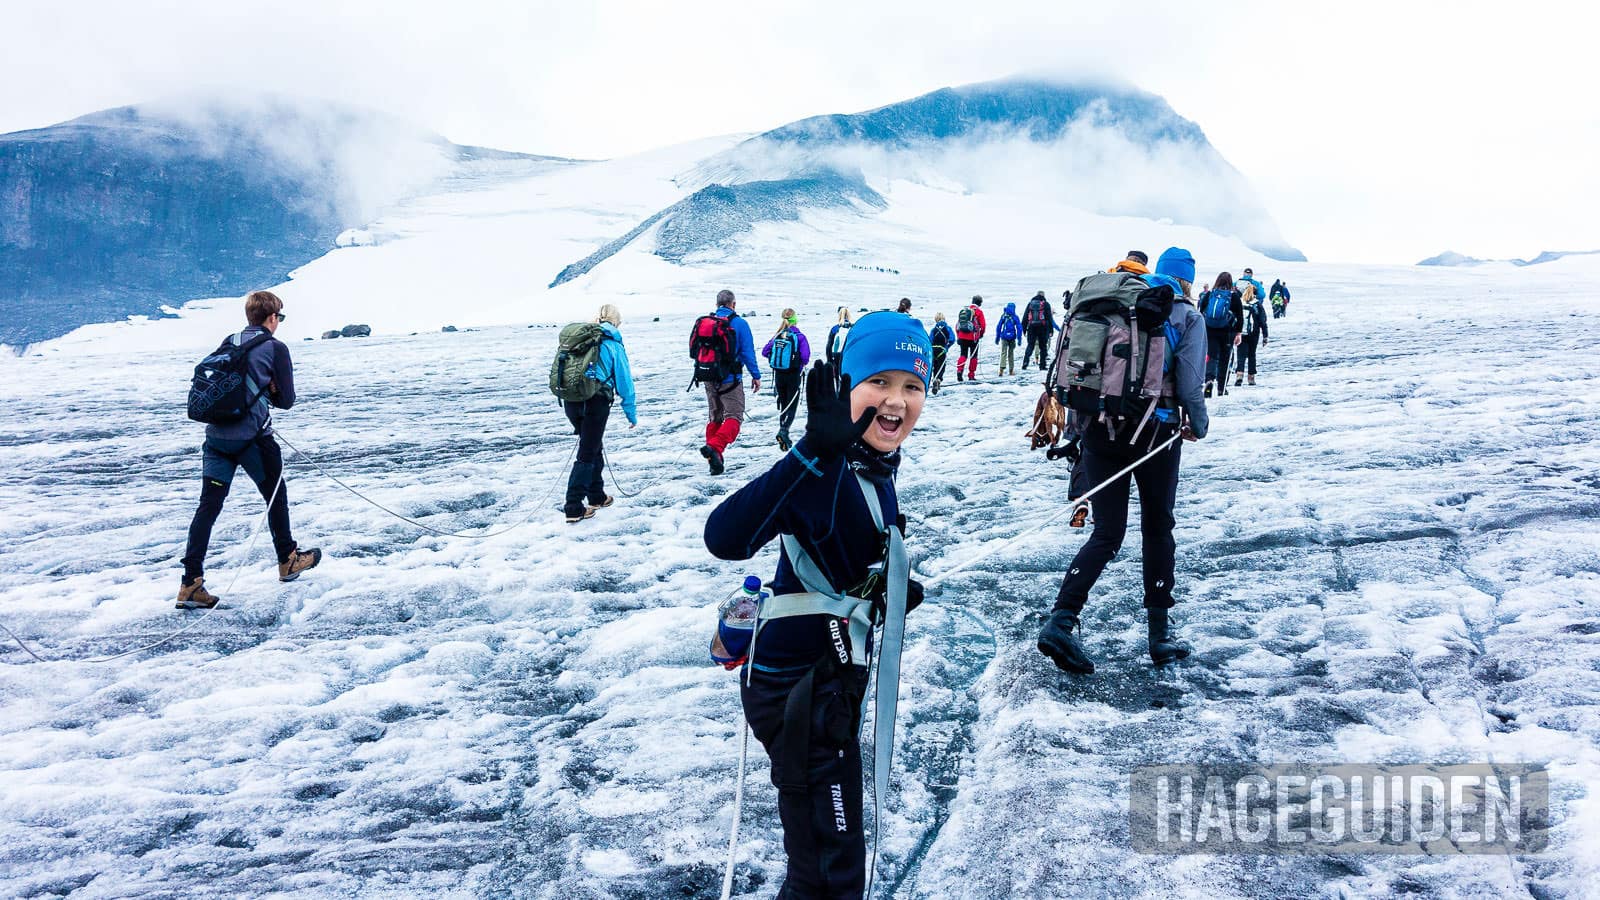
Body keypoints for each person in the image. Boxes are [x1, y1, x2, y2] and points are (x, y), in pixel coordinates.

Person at [705, 311, 931, 899]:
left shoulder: (872, 467)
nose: (896, 400)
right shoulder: (827, 465)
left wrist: (883, 591)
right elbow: (724, 538)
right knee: (829, 874)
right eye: (879, 381)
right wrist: (810, 452)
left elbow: (835, 555)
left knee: (829, 865)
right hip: (799, 694)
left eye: (912, 385)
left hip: (828, 684)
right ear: (845, 384)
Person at [1037, 247, 1210, 674]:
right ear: (1187, 280)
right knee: (1157, 527)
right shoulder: (1185, 315)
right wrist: (1199, 424)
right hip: (1155, 433)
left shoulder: (1113, 303)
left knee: (1107, 532)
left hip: (1099, 428)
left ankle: (1061, 620)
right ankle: (1160, 637)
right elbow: (1190, 385)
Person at [178, 290, 320, 608]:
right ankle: (288, 560)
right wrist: (272, 389)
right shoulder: (275, 348)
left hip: (216, 440)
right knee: (275, 496)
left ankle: (190, 583)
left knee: (208, 507)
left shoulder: (230, 341)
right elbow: (287, 400)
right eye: (279, 317)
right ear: (272, 317)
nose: (279, 322)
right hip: (253, 439)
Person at [562, 304, 637, 523]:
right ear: (616, 322)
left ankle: (597, 495)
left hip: (571, 400)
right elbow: (625, 383)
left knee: (593, 446)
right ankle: (573, 506)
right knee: (587, 451)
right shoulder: (613, 344)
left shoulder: (580, 340)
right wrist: (631, 413)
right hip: (595, 402)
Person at [701, 289, 762, 476]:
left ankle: (715, 462)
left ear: (716, 304)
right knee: (734, 417)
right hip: (730, 379)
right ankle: (714, 447)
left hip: (708, 377)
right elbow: (747, 352)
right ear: (733, 304)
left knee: (715, 418)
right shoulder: (740, 323)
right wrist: (755, 375)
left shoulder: (706, 322)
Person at [762, 308, 812, 451]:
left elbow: (765, 352)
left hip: (779, 375)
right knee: (792, 405)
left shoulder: (778, 335)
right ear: (795, 319)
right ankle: (784, 431)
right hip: (793, 375)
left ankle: (783, 433)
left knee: (783, 404)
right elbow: (805, 357)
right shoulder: (799, 336)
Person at [1199, 272, 1244, 398]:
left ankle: (1209, 380)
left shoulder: (1209, 295)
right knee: (1225, 359)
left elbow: (1201, 311)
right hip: (1228, 332)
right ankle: (1221, 387)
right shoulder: (1233, 296)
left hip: (1210, 330)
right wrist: (1238, 333)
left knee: (1211, 356)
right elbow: (1240, 316)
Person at [1234, 287, 1270, 386]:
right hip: (1254, 333)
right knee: (1251, 355)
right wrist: (1265, 336)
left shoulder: (1241, 303)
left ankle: (1239, 376)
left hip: (1241, 332)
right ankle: (1251, 378)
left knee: (1240, 355)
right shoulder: (1257, 305)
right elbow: (1263, 321)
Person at [1020, 290, 1057, 371]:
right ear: (1043, 296)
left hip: (1031, 328)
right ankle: (1042, 365)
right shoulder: (1046, 304)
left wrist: (1024, 330)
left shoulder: (1030, 304)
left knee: (1030, 346)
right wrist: (1051, 330)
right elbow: (1049, 318)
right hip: (1043, 328)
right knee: (1043, 347)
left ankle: (1025, 363)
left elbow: (1025, 317)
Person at [954, 295, 986, 382]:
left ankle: (959, 371)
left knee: (963, 355)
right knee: (973, 356)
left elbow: (957, 325)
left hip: (962, 336)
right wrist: (981, 334)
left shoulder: (964, 311)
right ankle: (971, 375)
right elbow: (983, 325)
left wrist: (958, 336)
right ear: (980, 303)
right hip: (973, 338)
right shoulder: (979, 312)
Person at [928, 312, 955, 395]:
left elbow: (930, 340)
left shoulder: (934, 329)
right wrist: (947, 347)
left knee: (935, 366)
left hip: (933, 350)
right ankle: (938, 380)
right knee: (941, 366)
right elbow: (952, 339)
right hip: (942, 350)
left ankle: (934, 379)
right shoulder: (948, 328)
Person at [994, 301, 1022, 376]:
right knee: (1011, 353)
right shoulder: (1015, 317)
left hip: (1004, 337)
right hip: (1012, 337)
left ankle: (1001, 370)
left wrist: (997, 338)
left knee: (1003, 352)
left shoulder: (1004, 316)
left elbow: (999, 327)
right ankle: (1011, 370)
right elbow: (1019, 328)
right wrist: (1019, 339)